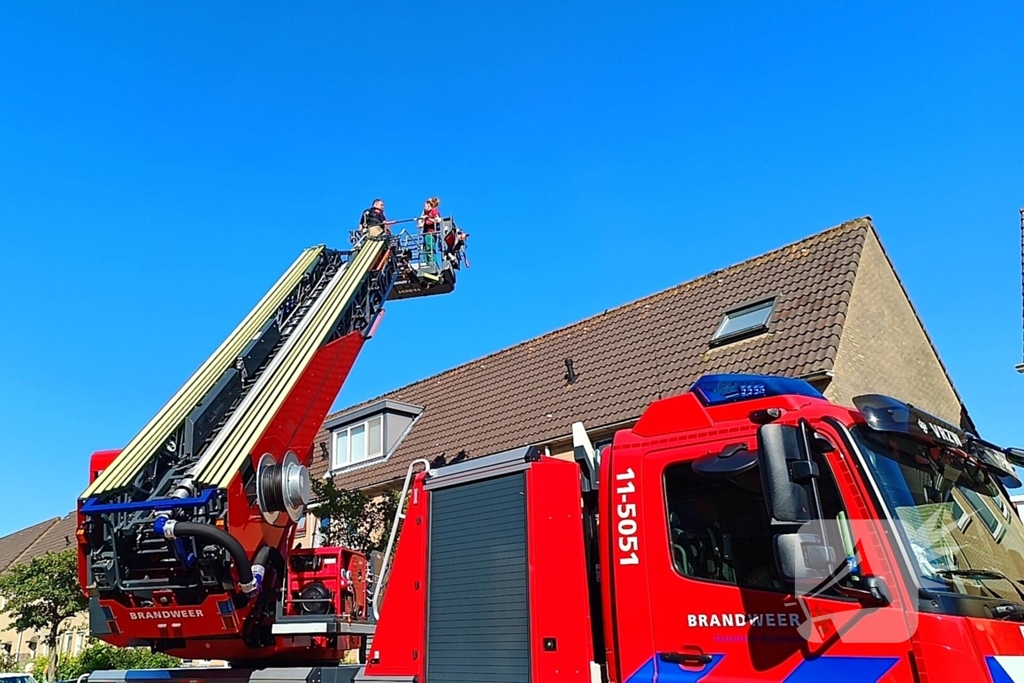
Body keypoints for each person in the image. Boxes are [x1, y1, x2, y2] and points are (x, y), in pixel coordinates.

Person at [417, 197, 440, 266]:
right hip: (426, 233)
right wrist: (423, 214)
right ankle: (426, 262)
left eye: (425, 205)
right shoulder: (425, 213)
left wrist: (428, 218)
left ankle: (432, 263)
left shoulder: (434, 211)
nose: (424, 207)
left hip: (431, 233)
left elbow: (438, 220)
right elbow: (420, 223)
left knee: (430, 248)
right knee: (425, 248)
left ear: (428, 204)